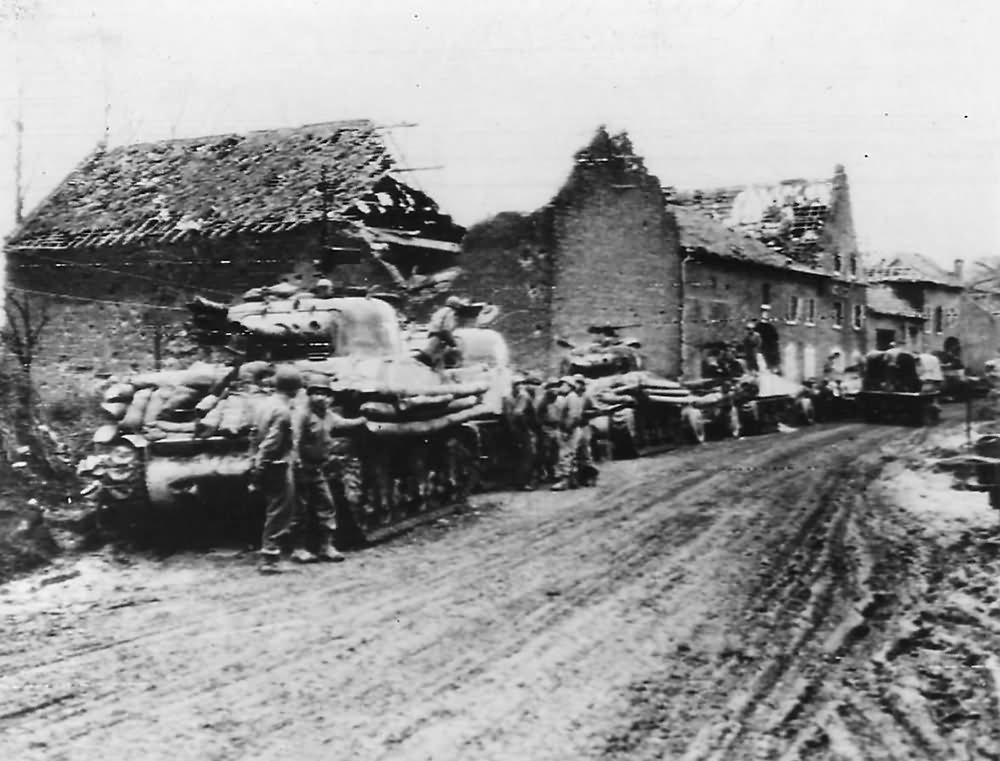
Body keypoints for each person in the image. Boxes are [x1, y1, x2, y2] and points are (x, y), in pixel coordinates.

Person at [289, 376, 346, 564]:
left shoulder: (328, 415)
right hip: (301, 468)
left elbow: (344, 423)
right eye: (316, 393)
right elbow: (294, 438)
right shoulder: (303, 414)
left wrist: (371, 421)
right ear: (309, 396)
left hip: (317, 468)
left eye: (324, 394)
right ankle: (299, 548)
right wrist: (295, 460)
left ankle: (326, 546)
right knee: (300, 509)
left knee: (327, 505)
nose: (320, 398)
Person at [250, 365, 301, 574]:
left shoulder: (264, 405)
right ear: (295, 389)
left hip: (267, 463)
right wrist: (259, 467)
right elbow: (271, 443)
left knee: (274, 509)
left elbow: (254, 435)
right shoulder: (282, 411)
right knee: (280, 511)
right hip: (276, 464)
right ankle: (269, 558)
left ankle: (271, 554)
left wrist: (253, 461)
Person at [505, 374, 538, 490]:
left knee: (524, 455)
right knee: (528, 455)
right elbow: (517, 413)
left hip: (520, 428)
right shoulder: (519, 397)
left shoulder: (514, 397)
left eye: (521, 384)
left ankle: (523, 480)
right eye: (517, 384)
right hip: (521, 429)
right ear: (513, 386)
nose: (520, 386)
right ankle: (524, 482)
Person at [417, 295, 465, 369]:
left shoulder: (440, 311)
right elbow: (446, 328)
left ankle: (428, 361)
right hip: (441, 333)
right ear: (455, 305)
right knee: (453, 348)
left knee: (432, 350)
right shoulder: (450, 312)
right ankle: (447, 364)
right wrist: (452, 343)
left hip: (433, 332)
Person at [552, 376, 583, 491]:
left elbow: (573, 416)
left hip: (569, 430)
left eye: (563, 384)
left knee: (565, 455)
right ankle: (573, 480)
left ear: (570, 386)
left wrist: (567, 430)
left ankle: (564, 481)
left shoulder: (572, 397)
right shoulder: (570, 397)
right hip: (570, 429)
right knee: (571, 455)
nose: (561, 387)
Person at [536, 378, 564, 485]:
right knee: (544, 452)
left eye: (556, 386)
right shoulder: (542, 400)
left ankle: (555, 473)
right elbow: (537, 415)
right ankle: (542, 473)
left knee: (557, 452)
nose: (554, 389)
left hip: (558, 427)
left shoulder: (561, 400)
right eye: (551, 386)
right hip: (545, 428)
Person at [573, 375, 599, 486]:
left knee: (585, 453)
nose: (577, 385)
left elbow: (597, 410)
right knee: (574, 454)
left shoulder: (587, 397)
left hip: (584, 427)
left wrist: (586, 414)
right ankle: (577, 478)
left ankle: (590, 477)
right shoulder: (571, 396)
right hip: (573, 428)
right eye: (576, 382)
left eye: (579, 383)